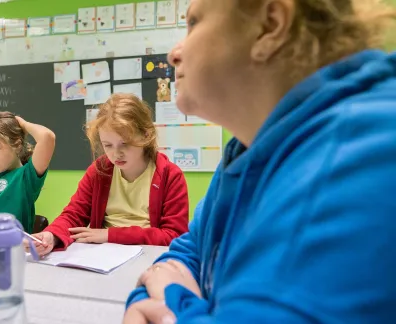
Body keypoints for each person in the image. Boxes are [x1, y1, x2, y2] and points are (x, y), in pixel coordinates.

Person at [124, 0, 396, 323]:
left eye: (194, 23)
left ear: (269, 25)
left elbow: (165, 290)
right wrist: (167, 296)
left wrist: (173, 304)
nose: (174, 54)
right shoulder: (248, 149)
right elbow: (182, 256)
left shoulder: (357, 157)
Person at [29, 93, 189, 256]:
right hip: (104, 256)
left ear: (146, 135)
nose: (116, 153)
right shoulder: (99, 171)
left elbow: (174, 235)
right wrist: (51, 235)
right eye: (108, 145)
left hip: (149, 255)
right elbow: (73, 214)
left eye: (125, 144)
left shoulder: (170, 175)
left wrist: (110, 234)